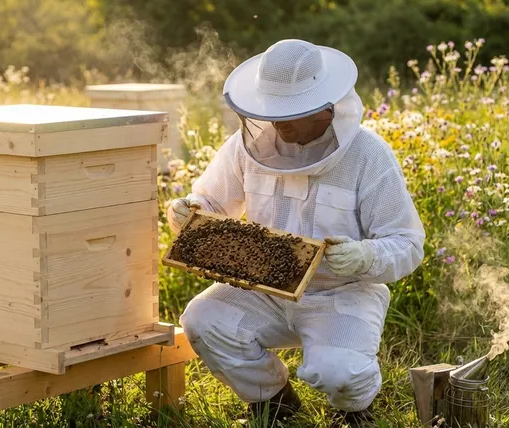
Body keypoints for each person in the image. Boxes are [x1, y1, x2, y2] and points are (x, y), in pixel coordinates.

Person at [166, 39, 425, 427]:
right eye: (272, 110)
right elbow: (210, 203)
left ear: (325, 108)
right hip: (263, 291)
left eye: (291, 111)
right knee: (203, 320)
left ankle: (356, 411)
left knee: (339, 372)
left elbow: (407, 244)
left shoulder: (369, 156)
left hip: (339, 292)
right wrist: (187, 209)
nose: (278, 122)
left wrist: (364, 255)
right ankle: (273, 402)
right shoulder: (246, 147)